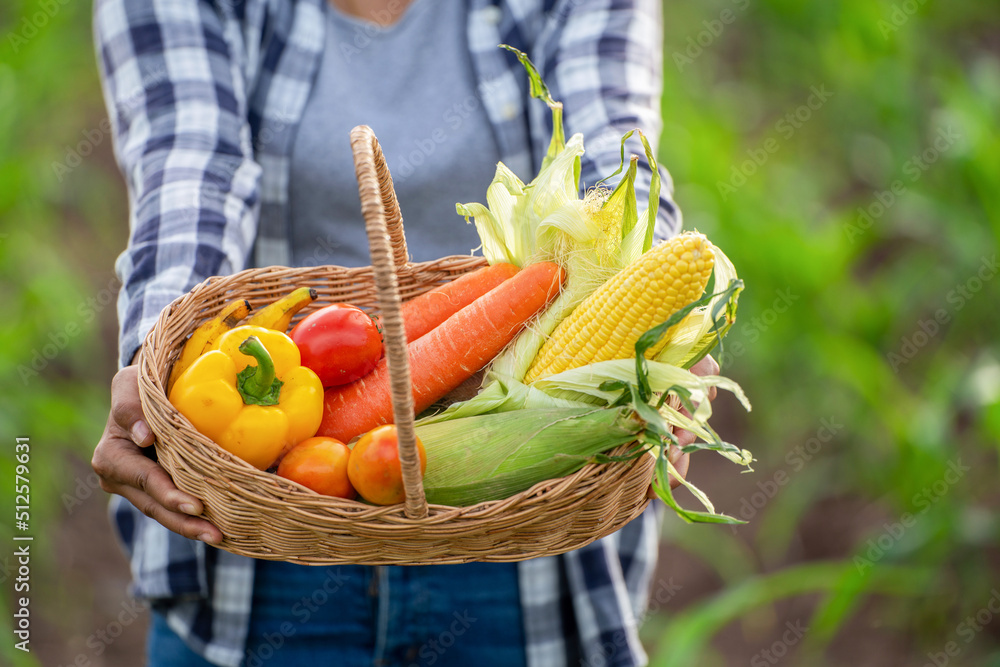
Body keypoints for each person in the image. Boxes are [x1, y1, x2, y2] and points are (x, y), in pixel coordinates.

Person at [91, 0, 717, 665]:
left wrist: (658, 312)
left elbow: (612, 153)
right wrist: (157, 356)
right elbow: (191, 164)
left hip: (522, 532)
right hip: (260, 514)